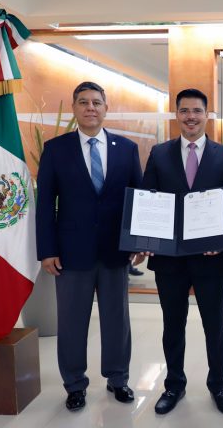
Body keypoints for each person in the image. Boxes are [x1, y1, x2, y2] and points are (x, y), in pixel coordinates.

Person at [136, 88, 223, 415]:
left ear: (206, 115)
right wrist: (146, 239)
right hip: (169, 259)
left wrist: (219, 239)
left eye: (197, 111)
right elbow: (148, 198)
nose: (191, 117)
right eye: (184, 111)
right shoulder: (160, 153)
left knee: (215, 325)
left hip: (212, 258)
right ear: (177, 115)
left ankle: (219, 385)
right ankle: (174, 385)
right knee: (172, 325)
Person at [36, 81, 142, 411]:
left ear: (106, 108)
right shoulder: (56, 149)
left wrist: (139, 241)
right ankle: (74, 384)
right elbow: (44, 204)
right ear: (74, 109)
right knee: (71, 321)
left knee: (117, 320)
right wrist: (47, 250)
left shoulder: (126, 149)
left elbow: (138, 199)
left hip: (115, 252)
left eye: (96, 102)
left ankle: (118, 378)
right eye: (83, 102)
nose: (90, 108)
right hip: (70, 253)